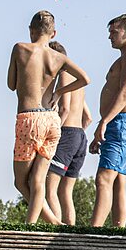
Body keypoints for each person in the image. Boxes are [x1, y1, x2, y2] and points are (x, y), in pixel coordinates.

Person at [9, 11, 90, 224]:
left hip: (29, 119)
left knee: (20, 182)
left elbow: (11, 84)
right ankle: (39, 224)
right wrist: (59, 92)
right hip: (52, 121)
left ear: (30, 30)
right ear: (54, 33)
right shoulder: (59, 58)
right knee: (38, 181)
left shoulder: (20, 48)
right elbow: (85, 79)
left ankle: (43, 223)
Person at [90, 14, 126, 227]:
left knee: (104, 178)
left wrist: (104, 122)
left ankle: (93, 234)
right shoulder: (124, 58)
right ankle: (118, 232)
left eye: (114, 32)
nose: (110, 37)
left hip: (122, 123)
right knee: (117, 181)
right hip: (118, 123)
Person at [43, 40, 93, 226]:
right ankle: (70, 233)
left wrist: (54, 136)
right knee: (66, 192)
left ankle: (54, 231)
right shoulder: (77, 82)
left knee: (50, 188)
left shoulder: (64, 74)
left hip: (67, 134)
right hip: (80, 136)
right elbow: (88, 117)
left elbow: (64, 109)